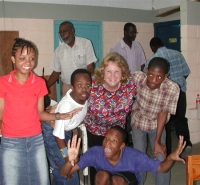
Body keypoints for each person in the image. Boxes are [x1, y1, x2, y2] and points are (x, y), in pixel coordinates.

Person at [0, 38, 81, 185]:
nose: (28, 62)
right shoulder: (3, 82)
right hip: (11, 142)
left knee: (41, 181)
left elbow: (39, 113)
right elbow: (1, 114)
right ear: (13, 59)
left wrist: (59, 116)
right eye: (22, 58)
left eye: (32, 58)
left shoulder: (39, 83)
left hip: (35, 140)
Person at [59, 126, 186, 185]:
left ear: (122, 146)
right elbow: (64, 174)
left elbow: (161, 168)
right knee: (101, 176)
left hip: (127, 180)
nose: (107, 144)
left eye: (114, 141)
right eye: (107, 138)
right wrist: (68, 161)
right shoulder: (95, 152)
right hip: (106, 178)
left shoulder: (135, 157)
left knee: (117, 180)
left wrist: (169, 158)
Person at [83, 52, 137, 184]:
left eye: (117, 71)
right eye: (109, 71)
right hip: (95, 134)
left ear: (123, 73)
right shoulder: (92, 85)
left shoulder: (130, 85)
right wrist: (56, 113)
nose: (113, 76)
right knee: (99, 174)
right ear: (102, 72)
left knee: (119, 174)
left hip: (117, 135)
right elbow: (74, 98)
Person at [131, 57, 180, 185]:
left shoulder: (172, 88)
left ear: (166, 76)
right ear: (146, 71)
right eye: (151, 75)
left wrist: (157, 140)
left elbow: (163, 113)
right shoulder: (137, 77)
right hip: (138, 120)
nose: (153, 80)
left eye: (159, 77)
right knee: (139, 156)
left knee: (160, 156)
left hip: (157, 123)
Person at [42, 68, 92, 185]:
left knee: (66, 170)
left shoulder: (84, 97)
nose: (84, 89)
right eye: (79, 85)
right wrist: (67, 158)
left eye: (87, 85)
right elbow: (58, 137)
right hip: (53, 136)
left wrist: (74, 130)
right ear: (72, 87)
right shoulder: (67, 106)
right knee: (65, 171)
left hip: (66, 131)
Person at [145, 37, 192, 158]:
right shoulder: (177, 54)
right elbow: (186, 72)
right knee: (180, 120)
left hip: (164, 96)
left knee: (164, 123)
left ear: (152, 48)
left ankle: (168, 152)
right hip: (180, 93)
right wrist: (177, 85)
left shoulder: (153, 59)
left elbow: (148, 79)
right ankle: (186, 145)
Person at [47, 21, 97, 97]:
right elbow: (55, 73)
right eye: (60, 32)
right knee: (67, 108)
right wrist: (45, 88)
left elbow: (90, 67)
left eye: (65, 31)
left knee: (85, 108)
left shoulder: (85, 43)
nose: (62, 34)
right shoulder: (58, 51)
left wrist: (88, 84)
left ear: (72, 31)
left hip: (83, 86)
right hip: (67, 87)